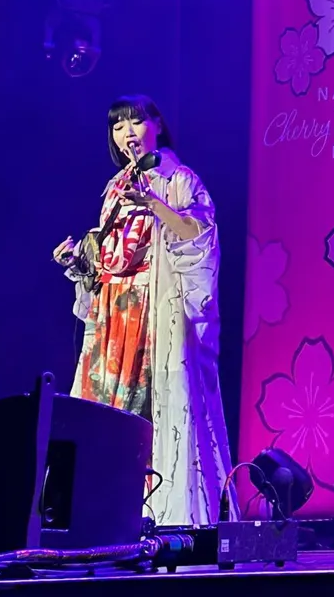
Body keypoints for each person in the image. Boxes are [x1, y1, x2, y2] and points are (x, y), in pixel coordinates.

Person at [52, 95, 233, 525]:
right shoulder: (114, 189)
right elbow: (109, 263)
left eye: (135, 121)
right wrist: (79, 262)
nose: (127, 132)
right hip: (115, 319)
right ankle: (100, 520)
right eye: (117, 126)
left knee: (153, 417)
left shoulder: (179, 180)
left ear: (157, 125)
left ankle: (162, 518)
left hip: (155, 314)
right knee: (105, 415)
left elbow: (198, 237)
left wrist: (153, 202)